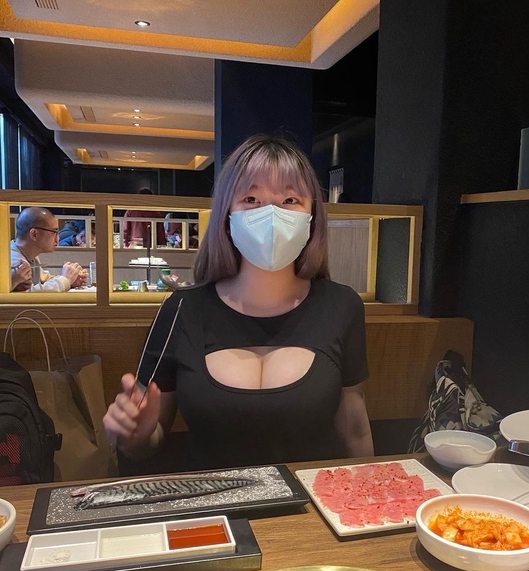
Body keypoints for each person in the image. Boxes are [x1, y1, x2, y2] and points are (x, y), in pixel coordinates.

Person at [104, 134, 374, 470]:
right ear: (227, 214)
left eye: (290, 200)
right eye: (251, 198)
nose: (271, 214)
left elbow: (354, 429)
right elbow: (148, 440)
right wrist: (134, 435)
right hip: (212, 500)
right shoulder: (181, 310)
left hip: (311, 501)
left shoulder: (342, 306)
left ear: (312, 216)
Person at [10, 207, 86, 292]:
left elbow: (44, 280)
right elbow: (27, 295)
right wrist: (65, 280)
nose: (58, 238)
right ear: (34, 234)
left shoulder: (27, 255)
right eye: (54, 232)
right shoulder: (14, 262)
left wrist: (71, 280)